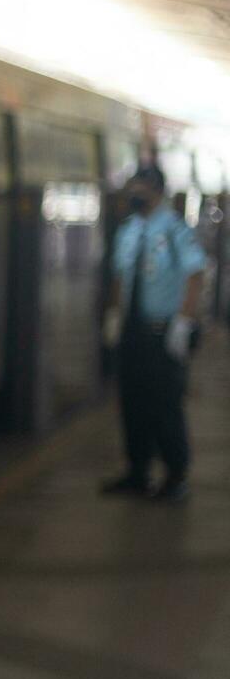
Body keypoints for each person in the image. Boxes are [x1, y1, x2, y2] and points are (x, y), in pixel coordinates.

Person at [100, 164, 207, 504]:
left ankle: (176, 476)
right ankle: (138, 472)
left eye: (140, 188)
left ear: (156, 190)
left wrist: (183, 322)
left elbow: (196, 274)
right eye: (132, 187)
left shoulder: (175, 230)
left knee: (165, 406)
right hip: (133, 332)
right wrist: (114, 314)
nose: (134, 194)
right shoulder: (128, 230)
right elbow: (120, 275)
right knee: (133, 403)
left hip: (163, 332)